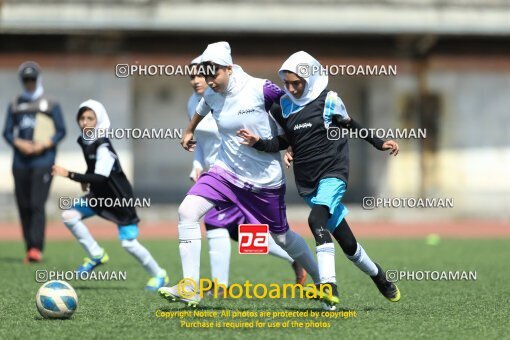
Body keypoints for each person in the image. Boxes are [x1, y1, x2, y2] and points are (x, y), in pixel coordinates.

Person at [159, 42, 328, 308]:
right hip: (225, 172)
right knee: (187, 211)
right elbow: (202, 107)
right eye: (205, 74)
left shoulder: (262, 89)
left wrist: (289, 147)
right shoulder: (212, 92)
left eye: (214, 74)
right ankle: (190, 287)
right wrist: (189, 130)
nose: (209, 81)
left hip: (263, 180)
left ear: (229, 68)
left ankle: (322, 281)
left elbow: (293, 119)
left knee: (282, 237)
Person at [237, 51, 401, 303]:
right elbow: (284, 141)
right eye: (287, 83)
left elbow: (350, 124)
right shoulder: (282, 107)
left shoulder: (330, 100)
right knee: (348, 244)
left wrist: (378, 143)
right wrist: (259, 143)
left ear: (310, 78)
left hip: (333, 174)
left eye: (297, 83)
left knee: (316, 222)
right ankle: (379, 276)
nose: (291, 88)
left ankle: (328, 287)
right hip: (307, 182)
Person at [186, 57, 306, 294]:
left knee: (214, 222)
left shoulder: (232, 96)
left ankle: (219, 287)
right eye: (192, 76)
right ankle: (294, 257)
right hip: (214, 174)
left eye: (202, 75)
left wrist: (288, 143)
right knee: (239, 234)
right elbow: (200, 142)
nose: (197, 81)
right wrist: (196, 165)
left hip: (236, 174)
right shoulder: (194, 104)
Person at [51, 99, 169, 291]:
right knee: (69, 216)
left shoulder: (103, 146)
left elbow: (100, 177)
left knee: (129, 244)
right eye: (82, 118)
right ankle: (96, 254)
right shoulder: (85, 141)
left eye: (90, 118)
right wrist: (83, 179)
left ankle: (159, 275)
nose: (85, 122)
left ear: (100, 120)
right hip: (98, 196)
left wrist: (70, 174)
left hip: (119, 200)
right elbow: (93, 168)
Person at [3, 61, 66, 263]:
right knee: (24, 205)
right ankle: (29, 245)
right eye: (26, 80)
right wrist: (18, 143)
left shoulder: (51, 103)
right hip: (21, 162)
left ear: (38, 79)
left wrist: (45, 144)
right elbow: (6, 132)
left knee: (37, 203)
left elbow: (61, 130)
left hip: (43, 160)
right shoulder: (15, 103)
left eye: (32, 79)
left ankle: (36, 248)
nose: (29, 83)